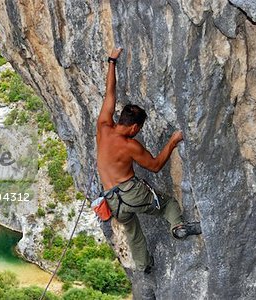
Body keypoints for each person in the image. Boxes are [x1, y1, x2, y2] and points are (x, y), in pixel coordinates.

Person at [96, 48, 201, 274]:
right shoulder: (130, 145)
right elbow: (154, 166)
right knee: (168, 205)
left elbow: (109, 94)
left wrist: (112, 61)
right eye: (139, 128)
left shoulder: (103, 127)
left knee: (132, 231)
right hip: (131, 192)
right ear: (134, 127)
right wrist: (172, 142)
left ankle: (144, 265)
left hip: (113, 201)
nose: (138, 131)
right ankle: (178, 226)